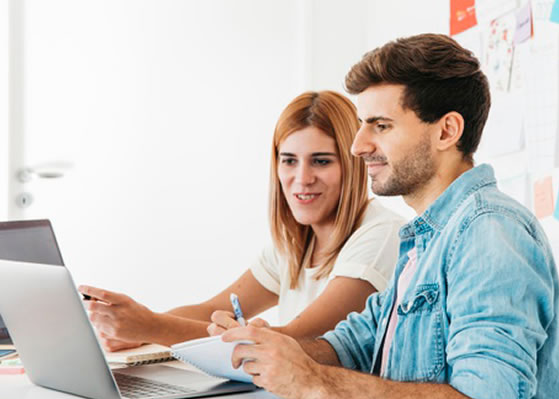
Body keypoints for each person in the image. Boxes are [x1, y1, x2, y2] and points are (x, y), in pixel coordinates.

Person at [222, 34, 559, 399]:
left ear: (446, 131)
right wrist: (264, 346)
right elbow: (355, 345)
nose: (358, 146)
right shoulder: (428, 237)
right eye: (362, 125)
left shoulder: (490, 234)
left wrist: (314, 381)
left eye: (381, 126)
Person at [80, 91, 404, 351]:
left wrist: (151, 326)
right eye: (289, 161)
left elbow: (294, 342)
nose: (301, 178)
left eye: (320, 161)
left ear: (353, 165)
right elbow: (211, 309)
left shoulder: (380, 235)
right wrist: (135, 329)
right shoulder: (295, 244)